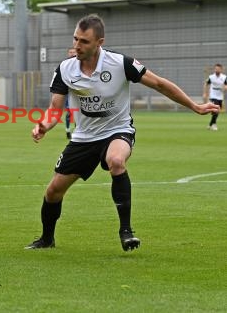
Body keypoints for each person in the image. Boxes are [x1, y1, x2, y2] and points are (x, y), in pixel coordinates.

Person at [25, 14, 219, 252]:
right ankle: (46, 239)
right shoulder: (65, 69)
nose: (77, 46)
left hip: (117, 130)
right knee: (54, 191)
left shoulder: (121, 63)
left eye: (84, 41)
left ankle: (126, 231)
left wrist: (195, 106)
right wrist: (43, 125)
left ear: (100, 42)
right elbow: (54, 110)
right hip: (84, 138)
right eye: (75, 39)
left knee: (116, 160)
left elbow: (159, 83)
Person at [203, 63, 227, 131]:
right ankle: (214, 124)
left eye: (218, 69)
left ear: (221, 69)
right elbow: (206, 84)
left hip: (220, 95)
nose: (217, 70)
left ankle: (210, 124)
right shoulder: (211, 77)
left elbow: (226, 85)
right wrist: (205, 93)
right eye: (216, 69)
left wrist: (225, 88)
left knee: (217, 110)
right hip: (213, 94)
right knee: (216, 109)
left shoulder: (224, 77)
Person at [64, 48, 77, 139]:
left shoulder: (80, 63)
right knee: (69, 113)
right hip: (69, 92)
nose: (72, 54)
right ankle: (68, 130)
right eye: (70, 52)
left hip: (80, 92)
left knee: (79, 113)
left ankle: (78, 130)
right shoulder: (65, 65)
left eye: (73, 52)